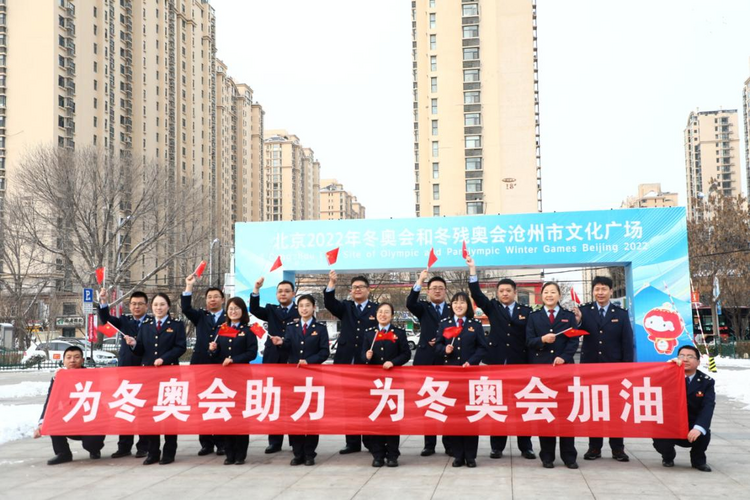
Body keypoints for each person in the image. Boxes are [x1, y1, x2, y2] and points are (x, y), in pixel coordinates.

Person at [466, 256, 536, 460]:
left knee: (523, 405)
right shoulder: (493, 307)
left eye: (508, 291)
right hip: (495, 363)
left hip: (519, 363)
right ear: (497, 294)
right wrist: (472, 270)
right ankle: (497, 446)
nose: (505, 293)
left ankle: (526, 447)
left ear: (515, 293)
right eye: (501, 291)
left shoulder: (526, 311)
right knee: (497, 404)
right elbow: (476, 294)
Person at [573, 276, 634, 462]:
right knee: (594, 409)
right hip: (590, 369)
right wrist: (576, 321)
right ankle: (594, 448)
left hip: (614, 370)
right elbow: (574, 332)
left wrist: (626, 370)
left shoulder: (621, 314)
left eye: (604, 289)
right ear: (593, 291)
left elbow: (627, 343)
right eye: (597, 289)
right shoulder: (584, 311)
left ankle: (617, 449)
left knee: (615, 409)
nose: (600, 292)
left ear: (610, 291)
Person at [125, 292, 187, 465]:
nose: (158, 308)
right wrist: (133, 345)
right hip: (150, 377)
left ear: (168, 307)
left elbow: (181, 347)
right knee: (151, 414)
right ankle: (153, 452)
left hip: (170, 375)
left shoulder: (176, 325)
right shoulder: (145, 326)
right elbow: (141, 350)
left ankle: (169, 452)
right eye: (155, 305)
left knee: (169, 413)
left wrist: (164, 359)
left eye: (162, 305)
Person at [525, 281, 579, 469]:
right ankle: (547, 456)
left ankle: (569, 456)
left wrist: (564, 357)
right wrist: (542, 340)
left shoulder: (568, 316)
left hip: (564, 370)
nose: (549, 295)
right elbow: (529, 341)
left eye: (553, 292)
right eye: (546, 292)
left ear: (559, 295)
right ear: (542, 295)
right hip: (541, 372)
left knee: (565, 413)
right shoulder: (534, 317)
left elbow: (574, 341)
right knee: (545, 413)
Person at [271, 294, 330, 466]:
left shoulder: (320, 328)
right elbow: (288, 346)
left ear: (313, 308)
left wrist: (309, 361)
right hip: (294, 377)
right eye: (301, 306)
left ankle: (310, 453)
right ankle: (297, 453)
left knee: (311, 415)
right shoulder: (292, 327)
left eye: (307, 305)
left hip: (313, 377)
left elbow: (324, 352)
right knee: (295, 414)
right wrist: (280, 342)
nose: (304, 308)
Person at [324, 271, 378, 454]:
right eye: (354, 287)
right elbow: (329, 303)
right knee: (350, 404)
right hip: (346, 360)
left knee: (369, 402)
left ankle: (370, 441)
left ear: (368, 290)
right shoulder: (345, 307)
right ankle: (352, 442)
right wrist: (331, 283)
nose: (357, 290)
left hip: (368, 362)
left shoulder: (376, 309)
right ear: (350, 290)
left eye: (361, 287)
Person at [435, 292, 487, 468]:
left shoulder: (475, 325)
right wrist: (445, 350)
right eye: (455, 302)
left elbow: (482, 348)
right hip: (451, 377)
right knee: (454, 416)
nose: (458, 305)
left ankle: (471, 456)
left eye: (462, 303)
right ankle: (458, 455)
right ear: (451, 305)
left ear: (468, 306)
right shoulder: (444, 324)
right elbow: (437, 346)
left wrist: (470, 362)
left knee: (471, 416)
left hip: (470, 376)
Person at [97, 288, 150, 459]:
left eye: (140, 304)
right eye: (133, 304)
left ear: (146, 306)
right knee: (125, 407)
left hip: (145, 368)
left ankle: (144, 446)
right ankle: (124, 446)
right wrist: (103, 302)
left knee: (143, 409)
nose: (136, 307)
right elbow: (106, 320)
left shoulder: (151, 322)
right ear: (129, 305)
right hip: (126, 368)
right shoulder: (124, 321)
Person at [250, 277, 299, 454]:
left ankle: (296, 440)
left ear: (293, 294)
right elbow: (254, 309)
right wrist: (256, 289)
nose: (283, 294)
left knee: (294, 401)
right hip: (273, 359)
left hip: (292, 358)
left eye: (287, 291)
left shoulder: (300, 310)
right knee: (274, 399)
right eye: (280, 291)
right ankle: (274, 441)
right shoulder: (271, 309)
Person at [405, 269, 452, 457]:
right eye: (434, 288)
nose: (438, 291)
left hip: (449, 359)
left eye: (441, 288)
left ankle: (449, 444)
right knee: (429, 403)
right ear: (428, 291)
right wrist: (420, 280)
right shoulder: (423, 308)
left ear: (445, 290)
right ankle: (429, 444)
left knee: (448, 403)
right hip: (426, 360)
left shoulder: (453, 308)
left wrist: (444, 342)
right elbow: (410, 303)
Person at [33, 345, 106, 465]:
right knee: (53, 419)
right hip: (70, 418)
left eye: (76, 357)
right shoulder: (58, 378)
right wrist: (42, 423)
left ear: (82, 360)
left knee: (91, 444)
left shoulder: (92, 375)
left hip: (89, 419)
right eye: (69, 357)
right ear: (63, 360)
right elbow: (50, 401)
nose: (72, 360)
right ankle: (63, 453)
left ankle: (95, 449)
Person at [208, 297, 258, 465]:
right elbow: (217, 355)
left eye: (237, 308)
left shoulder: (248, 330)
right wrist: (213, 350)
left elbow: (252, 353)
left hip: (242, 378)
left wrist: (234, 359)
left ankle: (240, 454)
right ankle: (229, 453)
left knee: (241, 416)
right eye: (230, 308)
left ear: (243, 311)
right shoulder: (223, 329)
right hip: (225, 379)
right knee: (226, 415)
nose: (233, 311)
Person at [362, 303, 412, 467]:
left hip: (393, 381)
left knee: (392, 419)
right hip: (374, 383)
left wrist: (393, 362)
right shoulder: (370, 334)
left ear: (391, 315)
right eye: (380, 312)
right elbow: (362, 357)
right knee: (376, 417)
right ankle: (377, 454)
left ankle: (392, 455)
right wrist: (367, 357)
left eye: (387, 312)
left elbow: (406, 354)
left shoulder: (399, 333)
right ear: (376, 315)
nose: (383, 315)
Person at [182, 273, 226, 456]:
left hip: (222, 365)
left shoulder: (229, 317)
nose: (212, 300)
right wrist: (189, 286)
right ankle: (206, 443)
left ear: (223, 299)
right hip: (201, 365)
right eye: (209, 297)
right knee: (203, 403)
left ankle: (222, 442)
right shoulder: (201, 316)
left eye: (216, 296)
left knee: (221, 402)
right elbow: (185, 308)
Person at [652, 345, 715, 472]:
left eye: (690, 357)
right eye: (682, 356)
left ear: (698, 362)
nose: (685, 359)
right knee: (660, 440)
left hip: (692, 425)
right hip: (670, 425)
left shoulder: (706, 382)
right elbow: (653, 384)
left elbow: (708, 406)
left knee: (703, 432)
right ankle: (668, 456)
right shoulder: (668, 376)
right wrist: (667, 368)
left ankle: (698, 460)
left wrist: (699, 427)